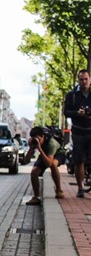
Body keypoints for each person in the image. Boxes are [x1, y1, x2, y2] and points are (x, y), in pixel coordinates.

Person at [64, 69, 91, 198]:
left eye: (86, 79)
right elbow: (66, 112)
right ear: (78, 80)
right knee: (79, 160)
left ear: (90, 79)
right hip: (78, 131)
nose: (84, 82)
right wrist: (77, 113)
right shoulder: (72, 95)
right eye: (81, 79)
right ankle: (80, 187)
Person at [24, 126, 65, 205]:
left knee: (53, 165)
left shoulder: (51, 143)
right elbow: (26, 161)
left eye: (38, 138)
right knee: (34, 171)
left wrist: (39, 148)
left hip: (58, 153)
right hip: (45, 153)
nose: (37, 141)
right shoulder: (35, 142)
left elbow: (49, 163)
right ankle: (36, 197)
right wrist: (31, 148)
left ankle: (59, 190)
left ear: (43, 136)